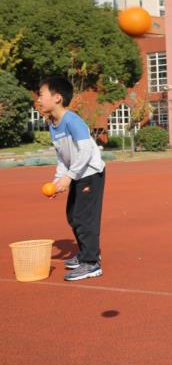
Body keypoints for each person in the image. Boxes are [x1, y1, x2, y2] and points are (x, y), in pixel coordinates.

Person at [37, 76, 106, 281]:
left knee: (84, 218)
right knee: (73, 216)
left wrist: (69, 176)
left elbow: (85, 151)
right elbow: (63, 156)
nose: (38, 99)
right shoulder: (53, 124)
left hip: (90, 173)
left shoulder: (72, 121)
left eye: (41, 95)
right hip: (77, 173)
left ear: (57, 98)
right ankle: (86, 253)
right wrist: (58, 181)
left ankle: (91, 263)